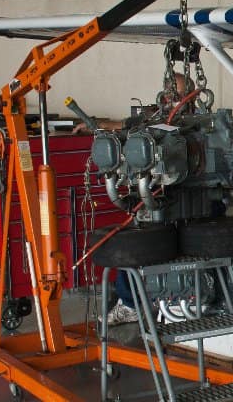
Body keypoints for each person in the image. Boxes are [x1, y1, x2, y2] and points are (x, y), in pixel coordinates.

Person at [77, 73, 189, 325]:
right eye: (170, 90)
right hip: (155, 198)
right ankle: (130, 304)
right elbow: (122, 125)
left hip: (190, 200)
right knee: (130, 246)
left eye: (178, 92)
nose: (172, 96)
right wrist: (95, 125)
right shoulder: (151, 118)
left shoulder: (198, 122)